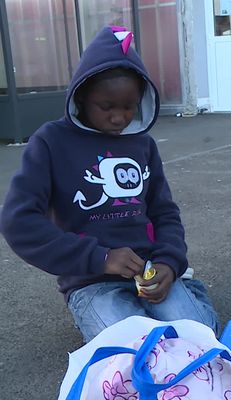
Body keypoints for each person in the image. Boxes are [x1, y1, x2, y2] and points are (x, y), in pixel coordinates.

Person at [0, 26, 217, 342]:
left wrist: (170, 263)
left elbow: (165, 212)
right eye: (107, 106)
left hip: (151, 270)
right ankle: (94, 313)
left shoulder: (143, 144)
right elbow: (18, 221)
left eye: (129, 106)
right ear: (82, 95)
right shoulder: (50, 142)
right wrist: (99, 257)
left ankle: (184, 285)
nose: (120, 117)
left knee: (197, 337)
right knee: (133, 348)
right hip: (92, 281)